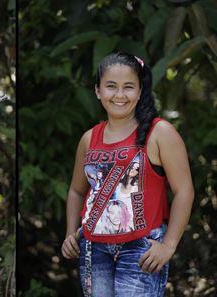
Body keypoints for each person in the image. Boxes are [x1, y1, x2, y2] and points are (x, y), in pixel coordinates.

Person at [61, 52, 194, 296]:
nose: (120, 95)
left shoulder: (160, 133)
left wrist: (169, 245)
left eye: (128, 87)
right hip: (93, 248)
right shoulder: (89, 138)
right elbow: (76, 190)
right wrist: (71, 232)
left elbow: (184, 190)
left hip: (141, 247)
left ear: (141, 91)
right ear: (98, 91)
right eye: (111, 86)